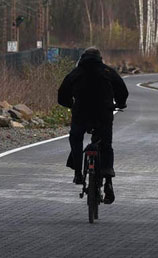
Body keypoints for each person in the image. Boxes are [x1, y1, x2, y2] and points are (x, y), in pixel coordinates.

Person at [58, 47, 128, 205]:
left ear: (82, 57)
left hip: (81, 114)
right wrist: (120, 103)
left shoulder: (76, 73)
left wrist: (71, 104)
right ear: (100, 58)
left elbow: (62, 95)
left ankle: (77, 172)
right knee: (106, 145)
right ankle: (108, 181)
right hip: (103, 114)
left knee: (76, 138)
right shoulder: (107, 72)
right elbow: (122, 90)